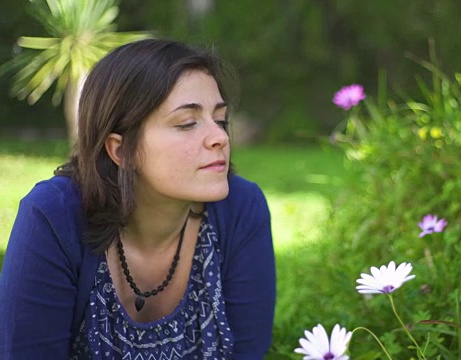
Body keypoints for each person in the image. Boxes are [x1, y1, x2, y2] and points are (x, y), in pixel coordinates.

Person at [0, 38, 276, 359]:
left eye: (221, 120)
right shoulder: (54, 217)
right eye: (187, 123)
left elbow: (248, 351)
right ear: (121, 150)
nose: (220, 138)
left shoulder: (241, 210)